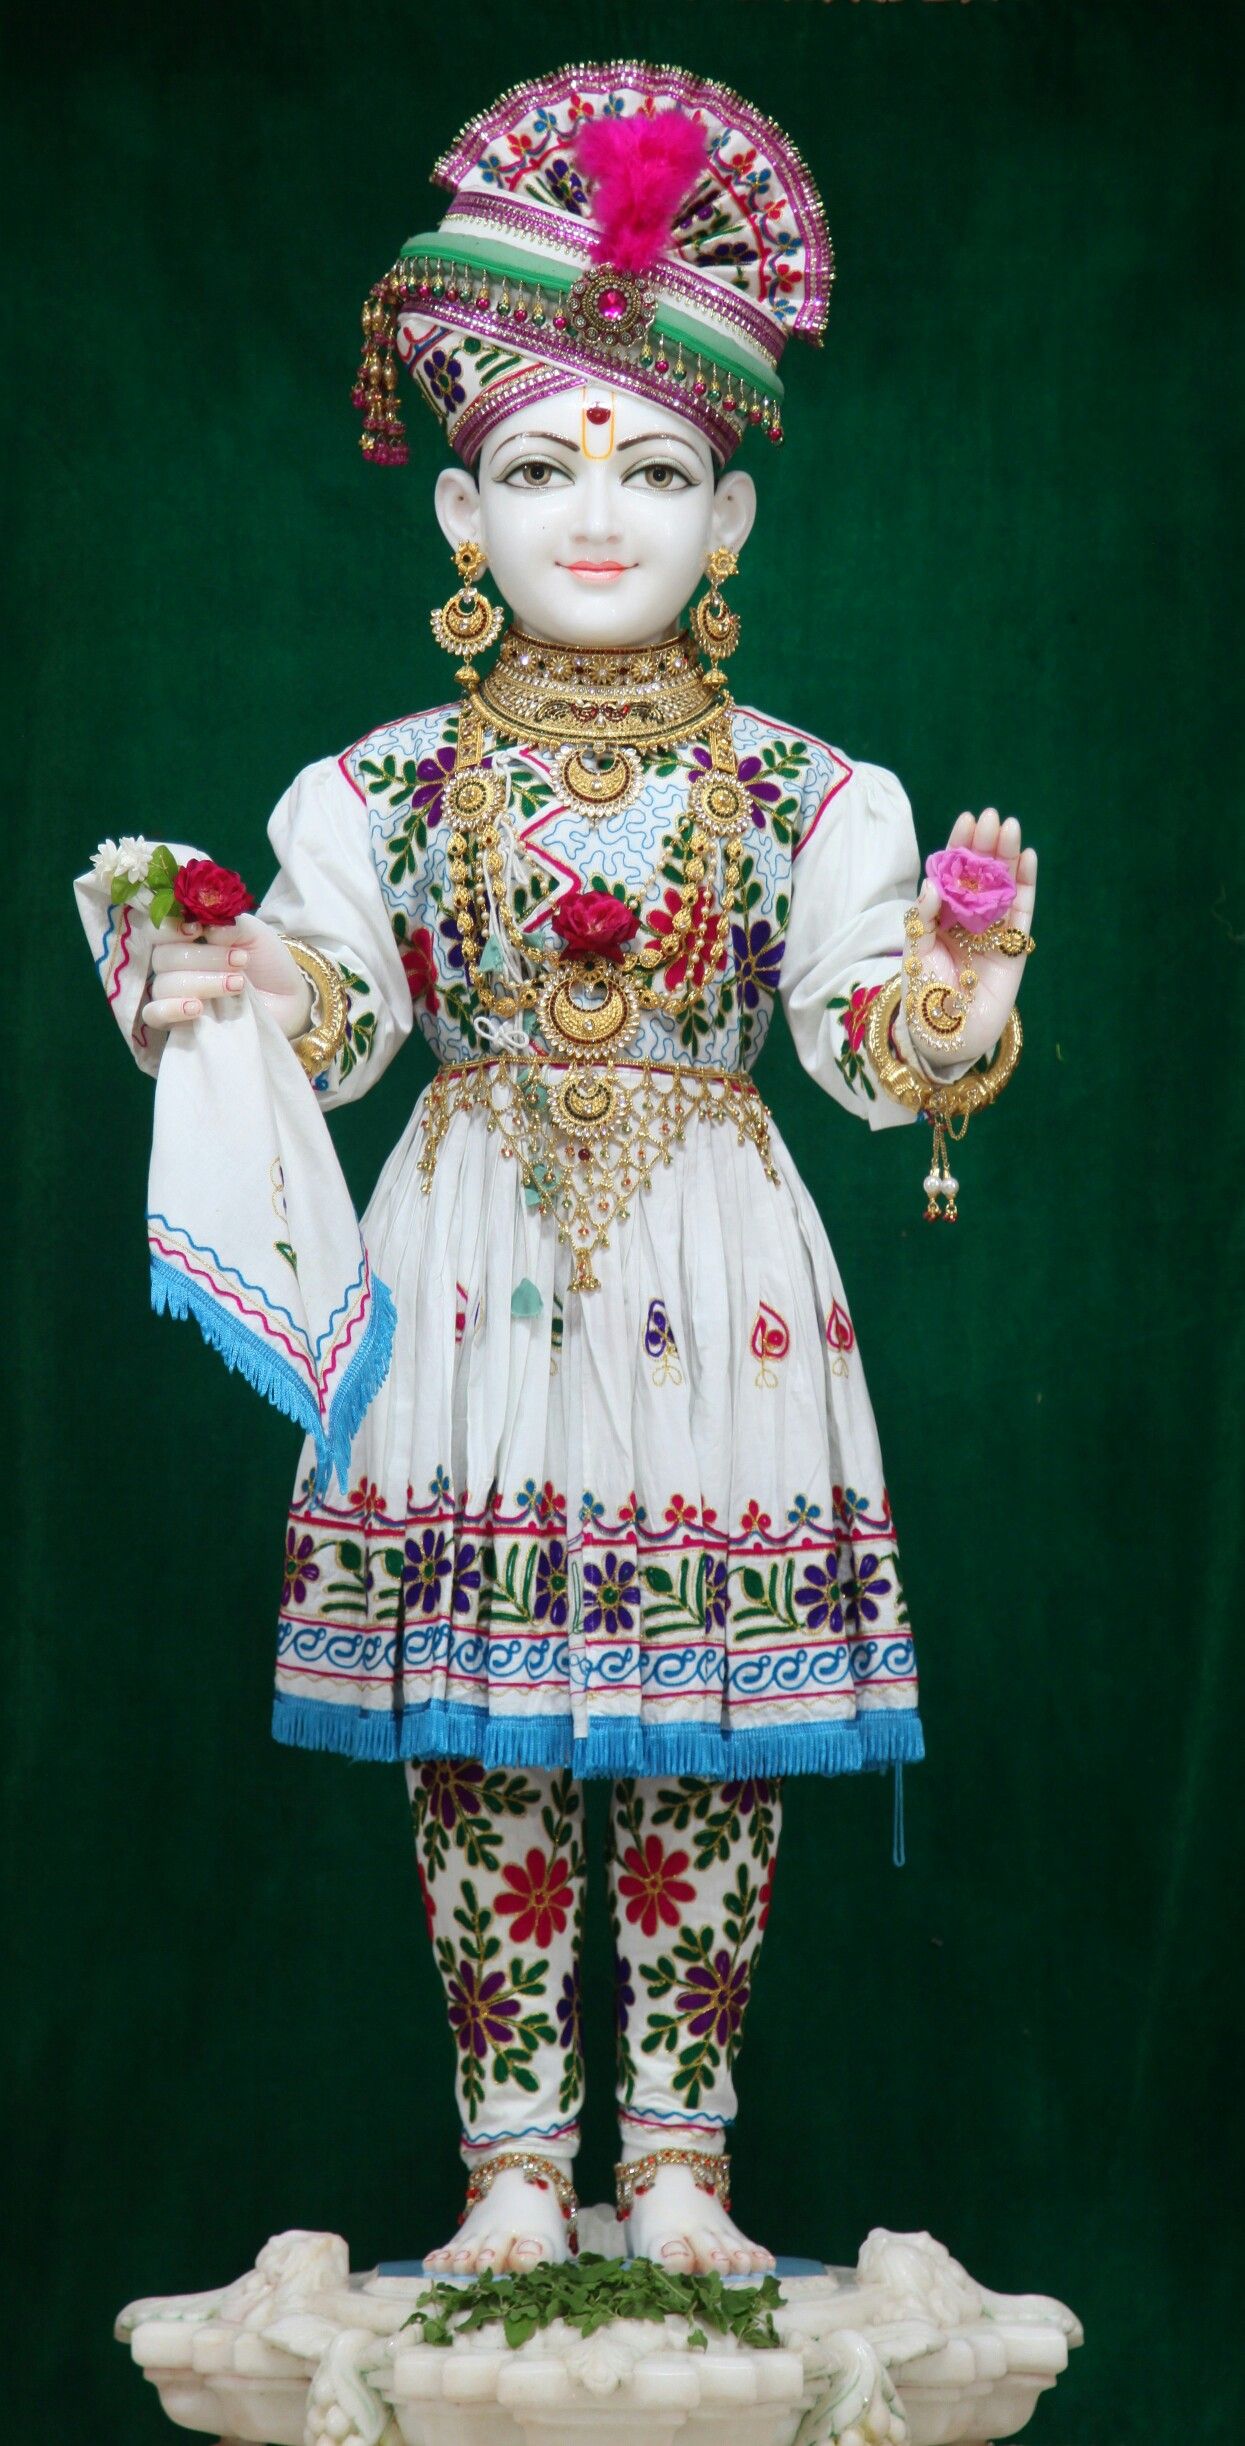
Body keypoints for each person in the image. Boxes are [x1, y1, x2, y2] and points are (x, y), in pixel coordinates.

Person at [132, 65, 1036, 2279]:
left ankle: (683, 2167)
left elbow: (863, 1051)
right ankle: (514, 2167)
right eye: (539, 467)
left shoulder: (826, 793)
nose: (596, 513)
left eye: (653, 470)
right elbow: (332, 1018)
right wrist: (213, 978)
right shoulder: (373, 784)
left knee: (702, 1712)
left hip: (717, 1268)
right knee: (485, 1723)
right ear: (461, 515)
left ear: (732, 522)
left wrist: (956, 973)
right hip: (461, 1268)